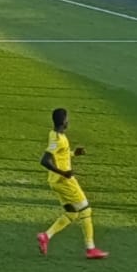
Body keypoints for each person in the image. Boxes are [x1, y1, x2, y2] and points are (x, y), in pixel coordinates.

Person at [36, 108, 107, 260]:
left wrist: (74, 153)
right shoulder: (59, 139)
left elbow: (59, 155)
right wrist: (64, 173)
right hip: (64, 181)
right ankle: (90, 249)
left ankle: (46, 236)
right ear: (64, 122)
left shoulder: (54, 135)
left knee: (72, 213)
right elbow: (45, 160)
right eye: (67, 119)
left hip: (54, 181)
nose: (69, 121)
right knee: (86, 210)